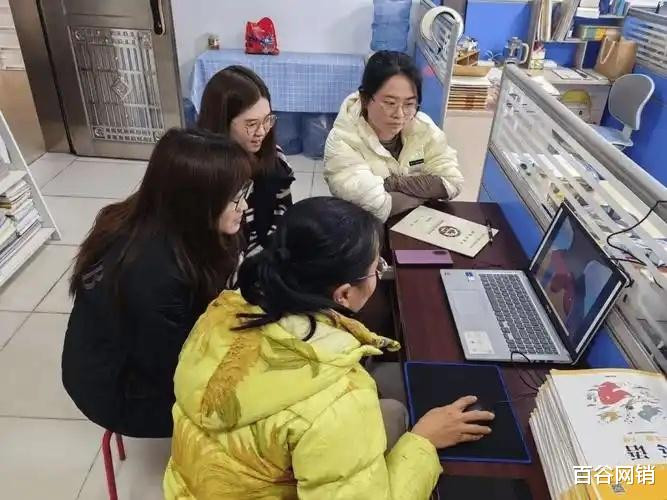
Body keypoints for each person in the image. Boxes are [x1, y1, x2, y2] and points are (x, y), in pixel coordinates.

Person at [164, 197, 494, 499]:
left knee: (390, 409)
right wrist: (424, 441)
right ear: (344, 294)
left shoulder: (223, 309)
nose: (378, 274)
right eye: (375, 268)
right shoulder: (337, 402)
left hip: (188, 488)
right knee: (396, 414)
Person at [61, 129, 252, 438]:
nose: (243, 205)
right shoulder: (155, 275)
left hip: (130, 354)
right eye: (234, 198)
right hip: (121, 392)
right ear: (197, 201)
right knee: (255, 404)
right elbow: (174, 368)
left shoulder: (154, 214)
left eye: (244, 191)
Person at [324, 50, 464, 221]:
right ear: (365, 99)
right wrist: (425, 195)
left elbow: (452, 182)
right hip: (365, 232)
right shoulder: (342, 140)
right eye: (390, 103)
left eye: (409, 104)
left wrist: (392, 183)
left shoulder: (423, 127)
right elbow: (376, 206)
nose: (400, 114)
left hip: (416, 226)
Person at [198, 65, 295, 258]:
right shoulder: (202, 170)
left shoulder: (275, 158)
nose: (262, 132)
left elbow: (284, 211)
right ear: (222, 121)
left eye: (267, 120)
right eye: (251, 124)